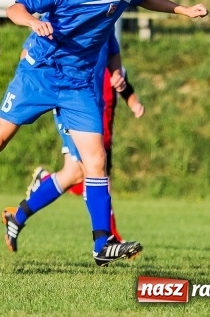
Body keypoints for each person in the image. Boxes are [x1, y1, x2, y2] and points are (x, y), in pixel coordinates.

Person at [0, 0, 208, 267]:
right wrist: (33, 21)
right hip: (39, 75)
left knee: (95, 161)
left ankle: (101, 244)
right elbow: (15, 7)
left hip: (77, 85)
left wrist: (183, 10)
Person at [8, 31, 145, 252]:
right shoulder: (69, 19)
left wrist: (119, 75)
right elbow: (27, 54)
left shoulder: (105, 23)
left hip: (91, 112)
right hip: (71, 108)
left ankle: (19, 215)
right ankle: (106, 242)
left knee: (73, 173)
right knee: (95, 172)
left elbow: (114, 59)